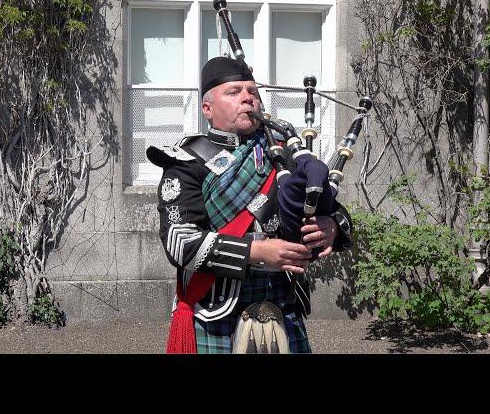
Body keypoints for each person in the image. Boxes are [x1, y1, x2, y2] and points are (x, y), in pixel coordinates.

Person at [146, 56, 353, 354]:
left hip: (283, 305)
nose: (247, 98)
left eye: (252, 93)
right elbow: (180, 244)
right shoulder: (187, 162)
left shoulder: (283, 155)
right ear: (207, 108)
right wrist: (258, 252)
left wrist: (332, 227)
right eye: (233, 92)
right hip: (216, 312)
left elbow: (333, 210)